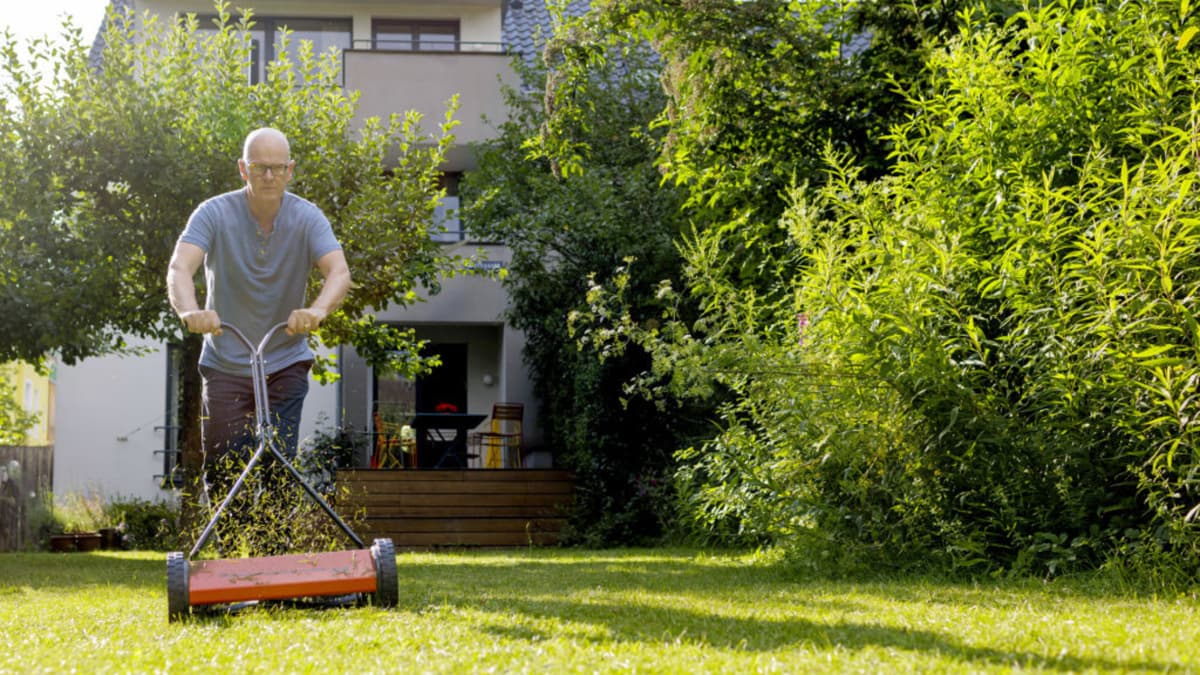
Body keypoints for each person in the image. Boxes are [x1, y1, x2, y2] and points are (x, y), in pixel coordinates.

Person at [166, 127, 351, 521]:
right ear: (242, 170)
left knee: (278, 465)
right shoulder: (213, 213)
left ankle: (275, 557)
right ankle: (233, 562)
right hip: (225, 363)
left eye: (276, 167)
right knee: (224, 467)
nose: (268, 175)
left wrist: (316, 310)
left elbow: (338, 272)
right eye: (259, 167)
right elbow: (181, 266)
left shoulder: (307, 217)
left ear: (290, 170)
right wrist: (190, 310)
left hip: (284, 360)